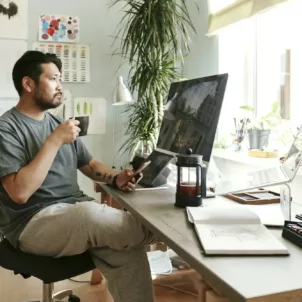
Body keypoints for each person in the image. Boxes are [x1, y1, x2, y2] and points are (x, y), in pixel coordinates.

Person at [0, 51, 155, 302]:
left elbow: (90, 164)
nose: (60, 86)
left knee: (127, 249)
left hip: (73, 213)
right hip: (31, 222)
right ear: (28, 84)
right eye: (53, 79)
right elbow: (19, 193)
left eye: (60, 79)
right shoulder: (6, 128)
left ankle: (153, 232)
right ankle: (165, 233)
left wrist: (117, 177)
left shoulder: (57, 123)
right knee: (89, 214)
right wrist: (54, 141)